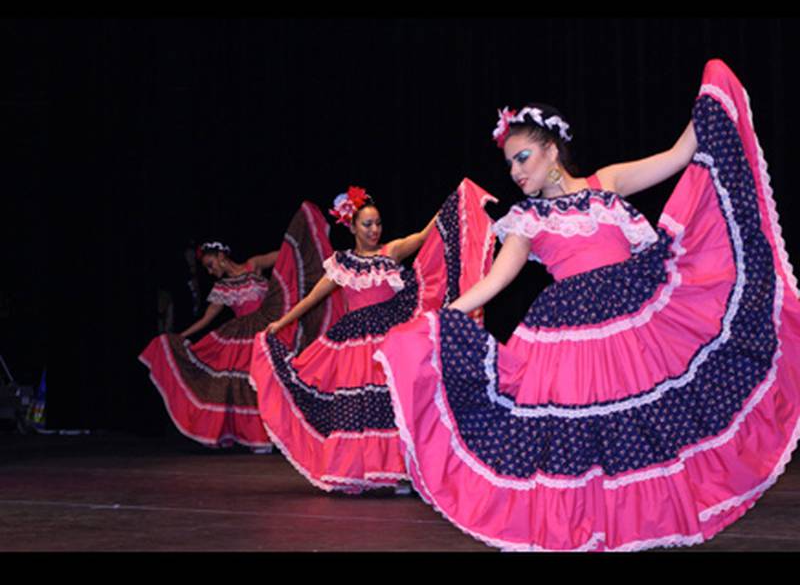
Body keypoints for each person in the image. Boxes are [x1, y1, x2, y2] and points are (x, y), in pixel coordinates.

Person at [374, 59, 800, 551]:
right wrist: (441, 319)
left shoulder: (607, 183)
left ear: (552, 150)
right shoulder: (526, 219)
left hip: (635, 316)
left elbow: (681, 153)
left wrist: (715, 90)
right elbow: (496, 280)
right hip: (569, 334)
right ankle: (600, 523)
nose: (515, 172)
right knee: (583, 436)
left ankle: (654, 516)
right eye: (510, 163)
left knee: (649, 421)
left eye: (524, 157)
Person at [249, 182, 497, 493]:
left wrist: (452, 204)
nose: (375, 229)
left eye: (378, 223)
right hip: (352, 344)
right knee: (357, 408)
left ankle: (396, 471)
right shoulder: (341, 265)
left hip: (389, 337)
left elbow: (423, 238)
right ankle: (354, 472)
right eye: (367, 224)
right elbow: (311, 299)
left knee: (391, 403)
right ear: (352, 226)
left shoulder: (389, 252)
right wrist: (281, 323)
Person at [139, 202, 345, 450]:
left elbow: (285, 256)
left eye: (210, 265)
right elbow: (206, 319)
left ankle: (280, 433)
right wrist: (181, 336)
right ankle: (257, 436)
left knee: (275, 377)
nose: (211, 271)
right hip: (240, 337)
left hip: (269, 324)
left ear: (220, 256)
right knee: (247, 384)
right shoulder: (221, 289)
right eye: (207, 269)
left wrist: (308, 243)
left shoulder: (253, 265)